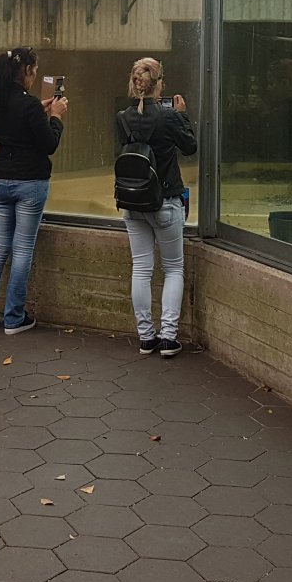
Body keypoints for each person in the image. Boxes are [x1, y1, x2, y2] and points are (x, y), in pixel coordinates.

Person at [0, 46, 67, 335]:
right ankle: (14, 317)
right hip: (30, 183)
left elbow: (13, 126)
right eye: (34, 71)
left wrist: (39, 110)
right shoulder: (28, 105)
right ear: (25, 71)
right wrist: (56, 117)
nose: (35, 77)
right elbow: (49, 144)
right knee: (22, 249)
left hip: (2, 181)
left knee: (0, 247)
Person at [114, 57, 197, 358]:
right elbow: (190, 147)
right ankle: (169, 337)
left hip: (133, 201)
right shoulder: (168, 116)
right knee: (173, 268)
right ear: (158, 83)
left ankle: (146, 337)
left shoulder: (123, 117)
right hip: (166, 200)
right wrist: (182, 115)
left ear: (135, 83)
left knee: (141, 268)